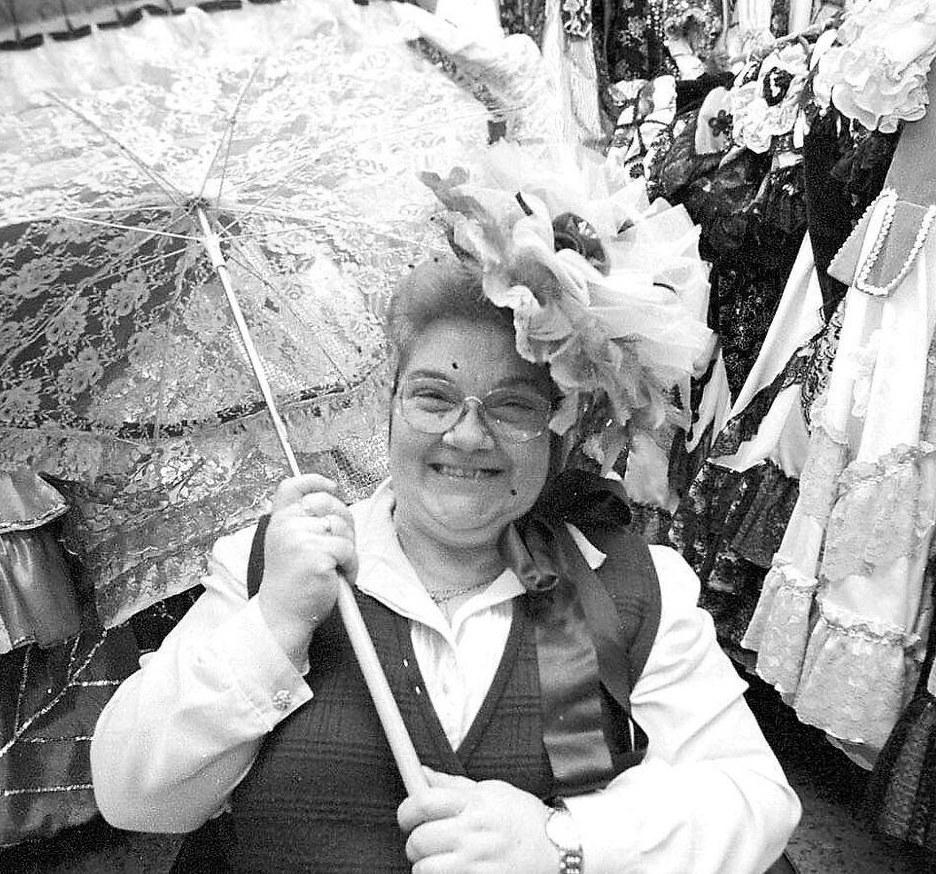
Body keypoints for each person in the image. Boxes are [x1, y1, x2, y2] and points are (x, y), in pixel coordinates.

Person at [91, 145, 801, 873]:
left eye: (512, 405)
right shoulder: (270, 566)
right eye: (433, 395)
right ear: (389, 407)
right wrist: (272, 626)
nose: (466, 433)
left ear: (561, 434)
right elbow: (131, 796)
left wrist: (563, 846)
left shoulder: (637, 584)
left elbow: (756, 800)